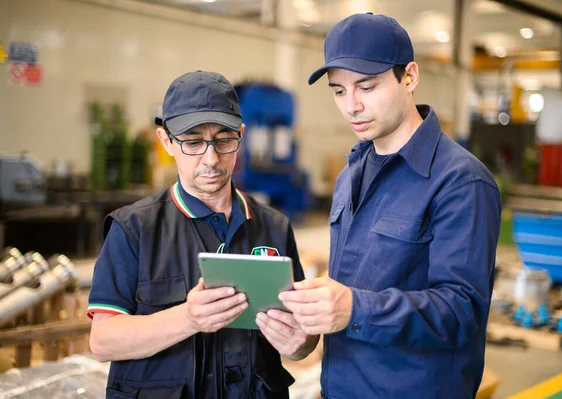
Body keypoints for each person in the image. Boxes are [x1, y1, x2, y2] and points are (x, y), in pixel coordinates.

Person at [279, 13, 502, 398]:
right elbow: (353, 283)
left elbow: (462, 310)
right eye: (338, 91)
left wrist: (355, 309)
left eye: (366, 87)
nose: (351, 106)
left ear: (410, 77)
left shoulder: (461, 181)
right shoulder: (348, 177)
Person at [88, 70, 318, 398]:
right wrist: (188, 318)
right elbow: (102, 342)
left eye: (224, 140)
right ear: (166, 141)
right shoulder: (134, 229)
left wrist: (300, 343)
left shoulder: (274, 227)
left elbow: (300, 344)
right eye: (193, 142)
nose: (211, 159)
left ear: (241, 134)